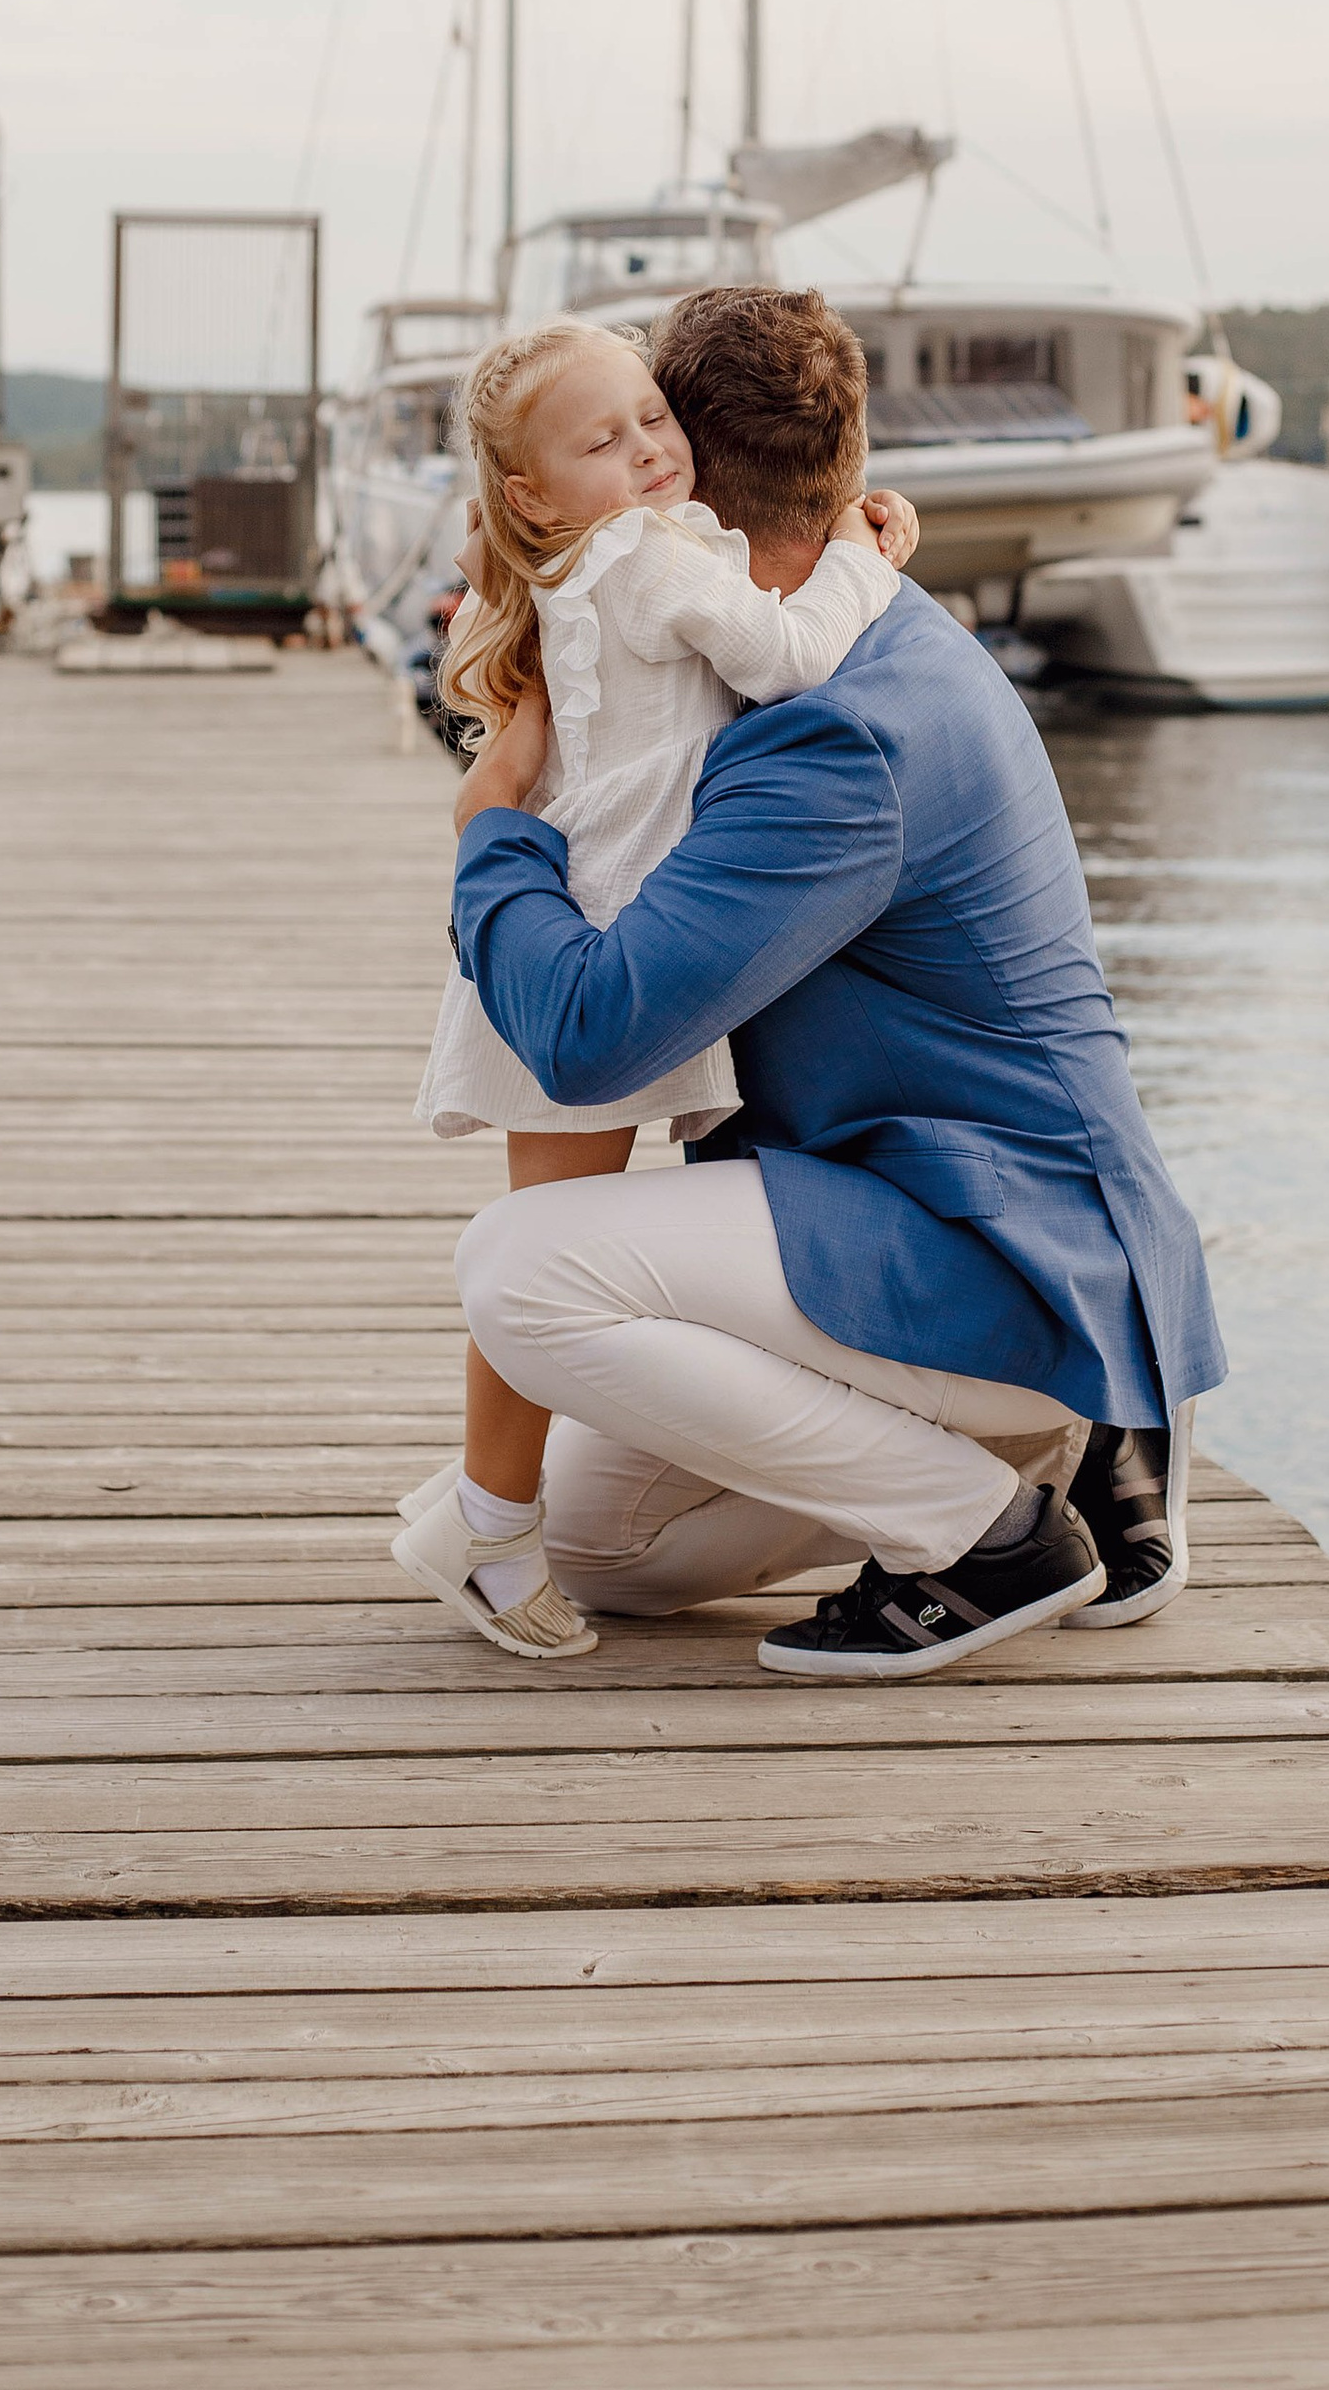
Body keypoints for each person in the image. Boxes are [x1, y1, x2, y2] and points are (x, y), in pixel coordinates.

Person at [445, 283, 1225, 1681]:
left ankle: (986, 1532)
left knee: (519, 1271)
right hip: (933, 1204)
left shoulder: (831, 736)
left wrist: (493, 828)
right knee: (599, 1549)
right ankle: (1056, 1433)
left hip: (1001, 1243)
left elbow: (587, 1035)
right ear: (850, 464)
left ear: (687, 484)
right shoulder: (857, 628)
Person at [391, 316, 920, 1660]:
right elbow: (789, 654)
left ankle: (498, 1507)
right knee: (540, 1259)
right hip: (595, 954)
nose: (644, 448)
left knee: (549, 1247)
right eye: (600, 438)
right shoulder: (641, 553)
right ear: (531, 492)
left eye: (649, 417)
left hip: (593, 932)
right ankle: (490, 1526)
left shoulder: (603, 553)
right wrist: (866, 560)